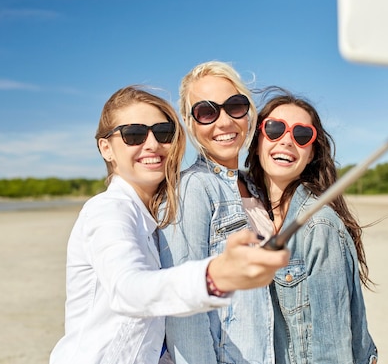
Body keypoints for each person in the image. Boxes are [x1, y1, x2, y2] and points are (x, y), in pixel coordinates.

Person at [49, 85, 289, 364]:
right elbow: (129, 290)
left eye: (162, 133)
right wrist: (215, 276)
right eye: (133, 134)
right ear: (106, 148)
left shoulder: (153, 217)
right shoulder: (108, 210)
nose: (151, 144)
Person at [245, 87, 378, 364]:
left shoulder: (319, 226)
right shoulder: (250, 211)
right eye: (275, 129)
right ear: (257, 140)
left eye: (302, 135)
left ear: (312, 154)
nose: (287, 141)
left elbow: (331, 347)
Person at [158, 61, 277, 363]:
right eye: (207, 112)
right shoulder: (193, 189)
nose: (224, 122)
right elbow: (184, 307)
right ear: (189, 121)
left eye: (235, 106)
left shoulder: (255, 187)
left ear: (248, 113)